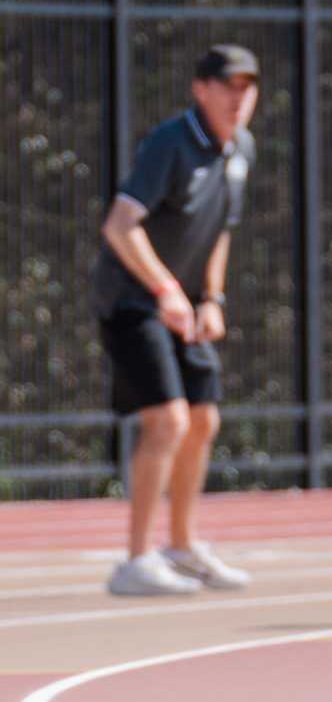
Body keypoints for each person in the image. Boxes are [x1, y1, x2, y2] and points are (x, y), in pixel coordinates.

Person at [93, 44, 260, 596]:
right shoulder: (171, 143)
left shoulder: (241, 150)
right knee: (167, 420)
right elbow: (121, 225)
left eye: (248, 87)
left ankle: (182, 548)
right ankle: (135, 561)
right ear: (201, 88)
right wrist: (164, 288)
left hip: (184, 303)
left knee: (204, 421)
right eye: (228, 86)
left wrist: (211, 297)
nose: (239, 98)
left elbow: (221, 232)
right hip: (132, 298)